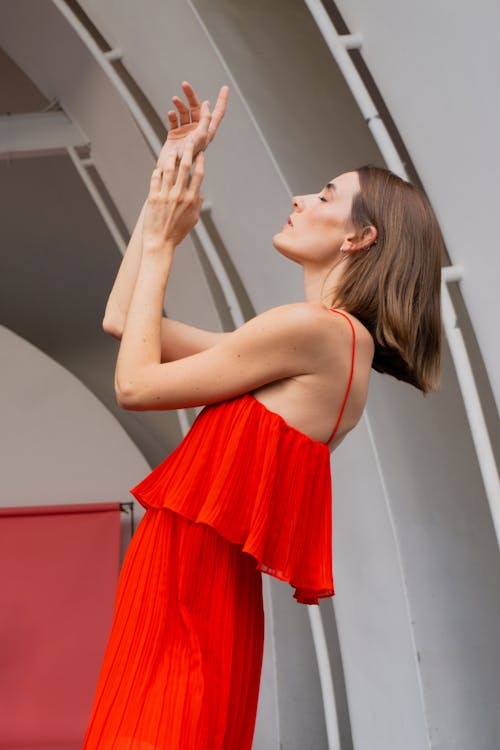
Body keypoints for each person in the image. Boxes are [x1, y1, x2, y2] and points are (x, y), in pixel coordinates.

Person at [82, 82, 443, 750]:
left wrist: (165, 243)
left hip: (188, 599)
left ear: (361, 236)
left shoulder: (317, 331)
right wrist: (166, 184)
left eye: (326, 196)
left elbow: (134, 385)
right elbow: (123, 323)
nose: (301, 199)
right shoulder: (322, 340)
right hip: (181, 592)